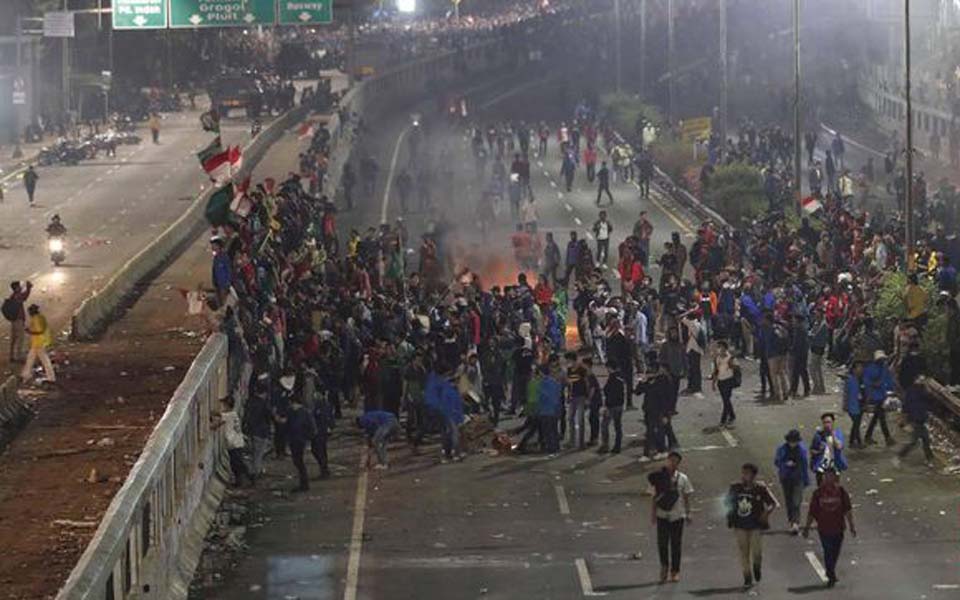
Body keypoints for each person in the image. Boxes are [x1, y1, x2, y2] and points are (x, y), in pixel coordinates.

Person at [725, 463, 779, 589]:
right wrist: (730, 513)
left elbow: (773, 503)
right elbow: (727, 502)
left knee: (757, 552)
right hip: (739, 524)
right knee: (743, 552)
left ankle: (757, 566)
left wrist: (766, 514)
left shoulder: (760, 488)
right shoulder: (735, 487)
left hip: (756, 525)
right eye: (743, 473)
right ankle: (747, 577)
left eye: (747, 473)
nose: (744, 476)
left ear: (753, 475)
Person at [803, 468, 856, 588]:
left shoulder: (841, 492)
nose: (828, 479)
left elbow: (848, 510)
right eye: (826, 476)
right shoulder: (818, 493)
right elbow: (812, 511)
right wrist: (807, 527)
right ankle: (830, 573)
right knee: (828, 550)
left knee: (835, 551)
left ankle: (830, 569)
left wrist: (852, 526)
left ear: (835, 477)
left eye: (830, 476)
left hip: (838, 527)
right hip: (824, 528)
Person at [648, 451, 693, 584]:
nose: (672, 463)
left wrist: (689, 513)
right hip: (662, 515)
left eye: (675, 461)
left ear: (678, 463)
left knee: (676, 544)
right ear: (667, 461)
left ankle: (675, 571)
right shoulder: (659, 477)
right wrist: (653, 514)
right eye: (670, 460)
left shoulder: (683, 478)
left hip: (678, 515)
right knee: (662, 543)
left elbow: (686, 496)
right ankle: (664, 567)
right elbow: (653, 497)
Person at [212, 395, 255, 487]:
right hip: (236, 443)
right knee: (235, 463)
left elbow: (217, 415)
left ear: (227, 405)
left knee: (237, 464)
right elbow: (219, 423)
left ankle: (249, 476)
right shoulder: (232, 415)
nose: (222, 406)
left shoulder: (229, 415)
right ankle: (241, 480)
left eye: (223, 404)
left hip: (234, 443)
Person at [774, 429, 810, 534]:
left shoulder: (801, 450)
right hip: (786, 478)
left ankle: (796, 523)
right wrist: (786, 464)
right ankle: (791, 521)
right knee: (789, 500)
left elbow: (804, 465)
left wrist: (806, 480)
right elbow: (777, 461)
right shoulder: (782, 449)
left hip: (798, 478)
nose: (793, 443)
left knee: (796, 501)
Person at [896, 376, 935, 466]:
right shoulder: (914, 391)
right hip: (915, 420)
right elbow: (906, 406)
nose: (922, 381)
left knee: (923, 440)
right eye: (920, 379)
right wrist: (904, 420)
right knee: (918, 441)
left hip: (920, 419)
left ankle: (929, 459)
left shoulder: (921, 390)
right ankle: (899, 456)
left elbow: (930, 400)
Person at [863, 350, 895, 446]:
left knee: (877, 417)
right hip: (875, 395)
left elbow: (888, 380)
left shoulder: (884, 368)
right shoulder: (872, 369)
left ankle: (868, 436)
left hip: (881, 395)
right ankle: (887, 438)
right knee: (881, 417)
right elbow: (867, 382)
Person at [20, 304, 55, 384]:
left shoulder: (36, 319)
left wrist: (29, 332)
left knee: (44, 360)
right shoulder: (41, 317)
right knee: (30, 358)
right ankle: (26, 374)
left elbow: (39, 331)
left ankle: (51, 377)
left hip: (38, 342)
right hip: (40, 341)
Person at [810, 412, 847, 485]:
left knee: (835, 488)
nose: (827, 425)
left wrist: (832, 434)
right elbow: (812, 450)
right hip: (821, 466)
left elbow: (839, 447)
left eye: (828, 422)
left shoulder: (838, 433)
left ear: (833, 423)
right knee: (821, 488)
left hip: (835, 465)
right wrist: (819, 451)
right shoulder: (818, 436)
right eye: (824, 423)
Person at [711, 340, 738, 427]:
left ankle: (723, 419)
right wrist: (713, 383)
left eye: (721, 347)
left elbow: (737, 368)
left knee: (726, 400)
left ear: (725, 348)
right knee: (726, 400)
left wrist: (732, 365)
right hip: (721, 381)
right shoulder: (717, 358)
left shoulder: (730, 357)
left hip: (729, 381)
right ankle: (732, 415)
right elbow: (716, 371)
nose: (719, 349)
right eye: (718, 347)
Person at [598, 367, 625, 453]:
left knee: (604, 425)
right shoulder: (620, 379)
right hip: (618, 405)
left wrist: (606, 405)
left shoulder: (612, 379)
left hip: (611, 406)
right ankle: (617, 446)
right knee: (617, 426)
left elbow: (607, 391)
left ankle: (605, 445)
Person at [4, 280, 32, 362]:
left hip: (14, 320)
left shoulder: (13, 296)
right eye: (19, 286)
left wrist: (27, 288)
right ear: (16, 288)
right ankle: (19, 356)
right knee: (21, 338)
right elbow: (25, 296)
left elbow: (23, 296)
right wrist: (28, 288)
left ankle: (12, 356)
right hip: (18, 320)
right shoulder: (17, 296)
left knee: (14, 339)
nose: (20, 287)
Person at [843, 362, 864, 447]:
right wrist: (845, 404)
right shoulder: (850, 380)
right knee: (856, 424)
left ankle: (853, 442)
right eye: (859, 368)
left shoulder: (860, 380)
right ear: (854, 370)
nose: (861, 370)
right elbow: (846, 393)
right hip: (852, 405)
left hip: (858, 405)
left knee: (856, 424)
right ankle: (858, 442)